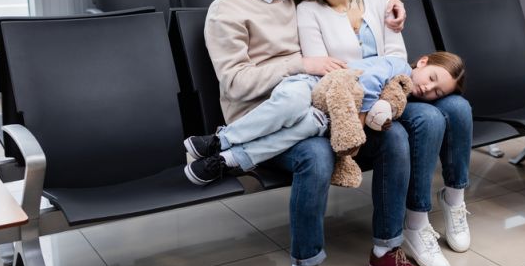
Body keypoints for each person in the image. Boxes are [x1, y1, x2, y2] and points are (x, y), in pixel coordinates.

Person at [203, 0, 431, 266]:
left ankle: (386, 249)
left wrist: (393, 4)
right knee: (317, 158)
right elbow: (234, 84)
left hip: (320, 109)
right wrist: (300, 63)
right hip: (266, 124)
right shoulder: (226, 11)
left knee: (395, 137)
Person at [291, 0, 474, 266]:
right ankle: (415, 224)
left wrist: (384, 81)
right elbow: (330, 73)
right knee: (428, 122)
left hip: (394, 90)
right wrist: (377, 80)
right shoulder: (308, 11)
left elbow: (397, 55)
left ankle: (452, 203)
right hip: (356, 102)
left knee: (458, 108)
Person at [183, 51, 465, 183]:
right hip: (314, 84)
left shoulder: (402, 100)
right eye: (431, 78)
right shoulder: (397, 64)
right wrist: (362, 117)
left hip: (328, 116)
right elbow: (367, 82)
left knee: (307, 126)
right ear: (424, 61)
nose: (427, 88)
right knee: (292, 105)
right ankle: (222, 139)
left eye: (435, 92)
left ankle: (228, 160)